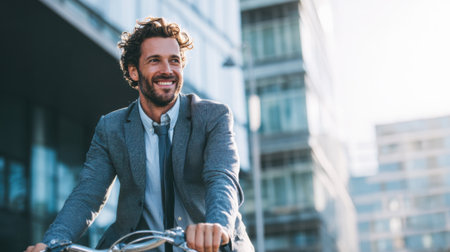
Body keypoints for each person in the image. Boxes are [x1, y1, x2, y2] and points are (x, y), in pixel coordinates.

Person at [25, 17, 253, 252]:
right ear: (134, 71)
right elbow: (87, 195)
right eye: (155, 61)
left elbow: (222, 178)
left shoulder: (212, 117)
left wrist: (216, 226)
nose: (167, 70)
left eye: (174, 61)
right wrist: (51, 243)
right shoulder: (111, 128)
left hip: (213, 246)